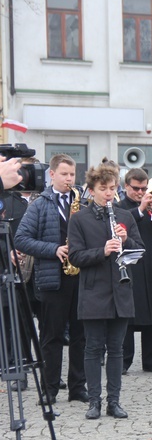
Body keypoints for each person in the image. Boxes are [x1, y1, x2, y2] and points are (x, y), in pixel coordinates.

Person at [68, 163, 145, 419]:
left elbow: (139, 251)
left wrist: (126, 241)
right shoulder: (79, 218)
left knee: (117, 350)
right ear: (91, 190)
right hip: (93, 293)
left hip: (120, 291)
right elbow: (76, 256)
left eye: (112, 188)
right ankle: (94, 402)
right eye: (103, 189)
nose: (109, 193)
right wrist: (102, 251)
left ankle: (114, 401)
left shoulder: (125, 217)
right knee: (92, 349)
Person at [15, 154, 87, 405]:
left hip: (80, 278)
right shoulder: (40, 204)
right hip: (52, 279)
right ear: (52, 175)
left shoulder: (83, 201)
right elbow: (21, 239)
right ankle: (49, 389)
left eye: (72, 175)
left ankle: (78, 387)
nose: (69, 179)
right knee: (51, 337)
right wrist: (53, 249)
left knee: (81, 336)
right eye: (64, 174)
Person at [120, 168, 152, 374]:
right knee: (130, 315)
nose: (141, 192)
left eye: (144, 188)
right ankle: (123, 360)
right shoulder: (119, 206)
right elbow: (123, 223)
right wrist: (140, 209)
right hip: (131, 265)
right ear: (126, 187)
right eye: (136, 188)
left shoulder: (151, 207)